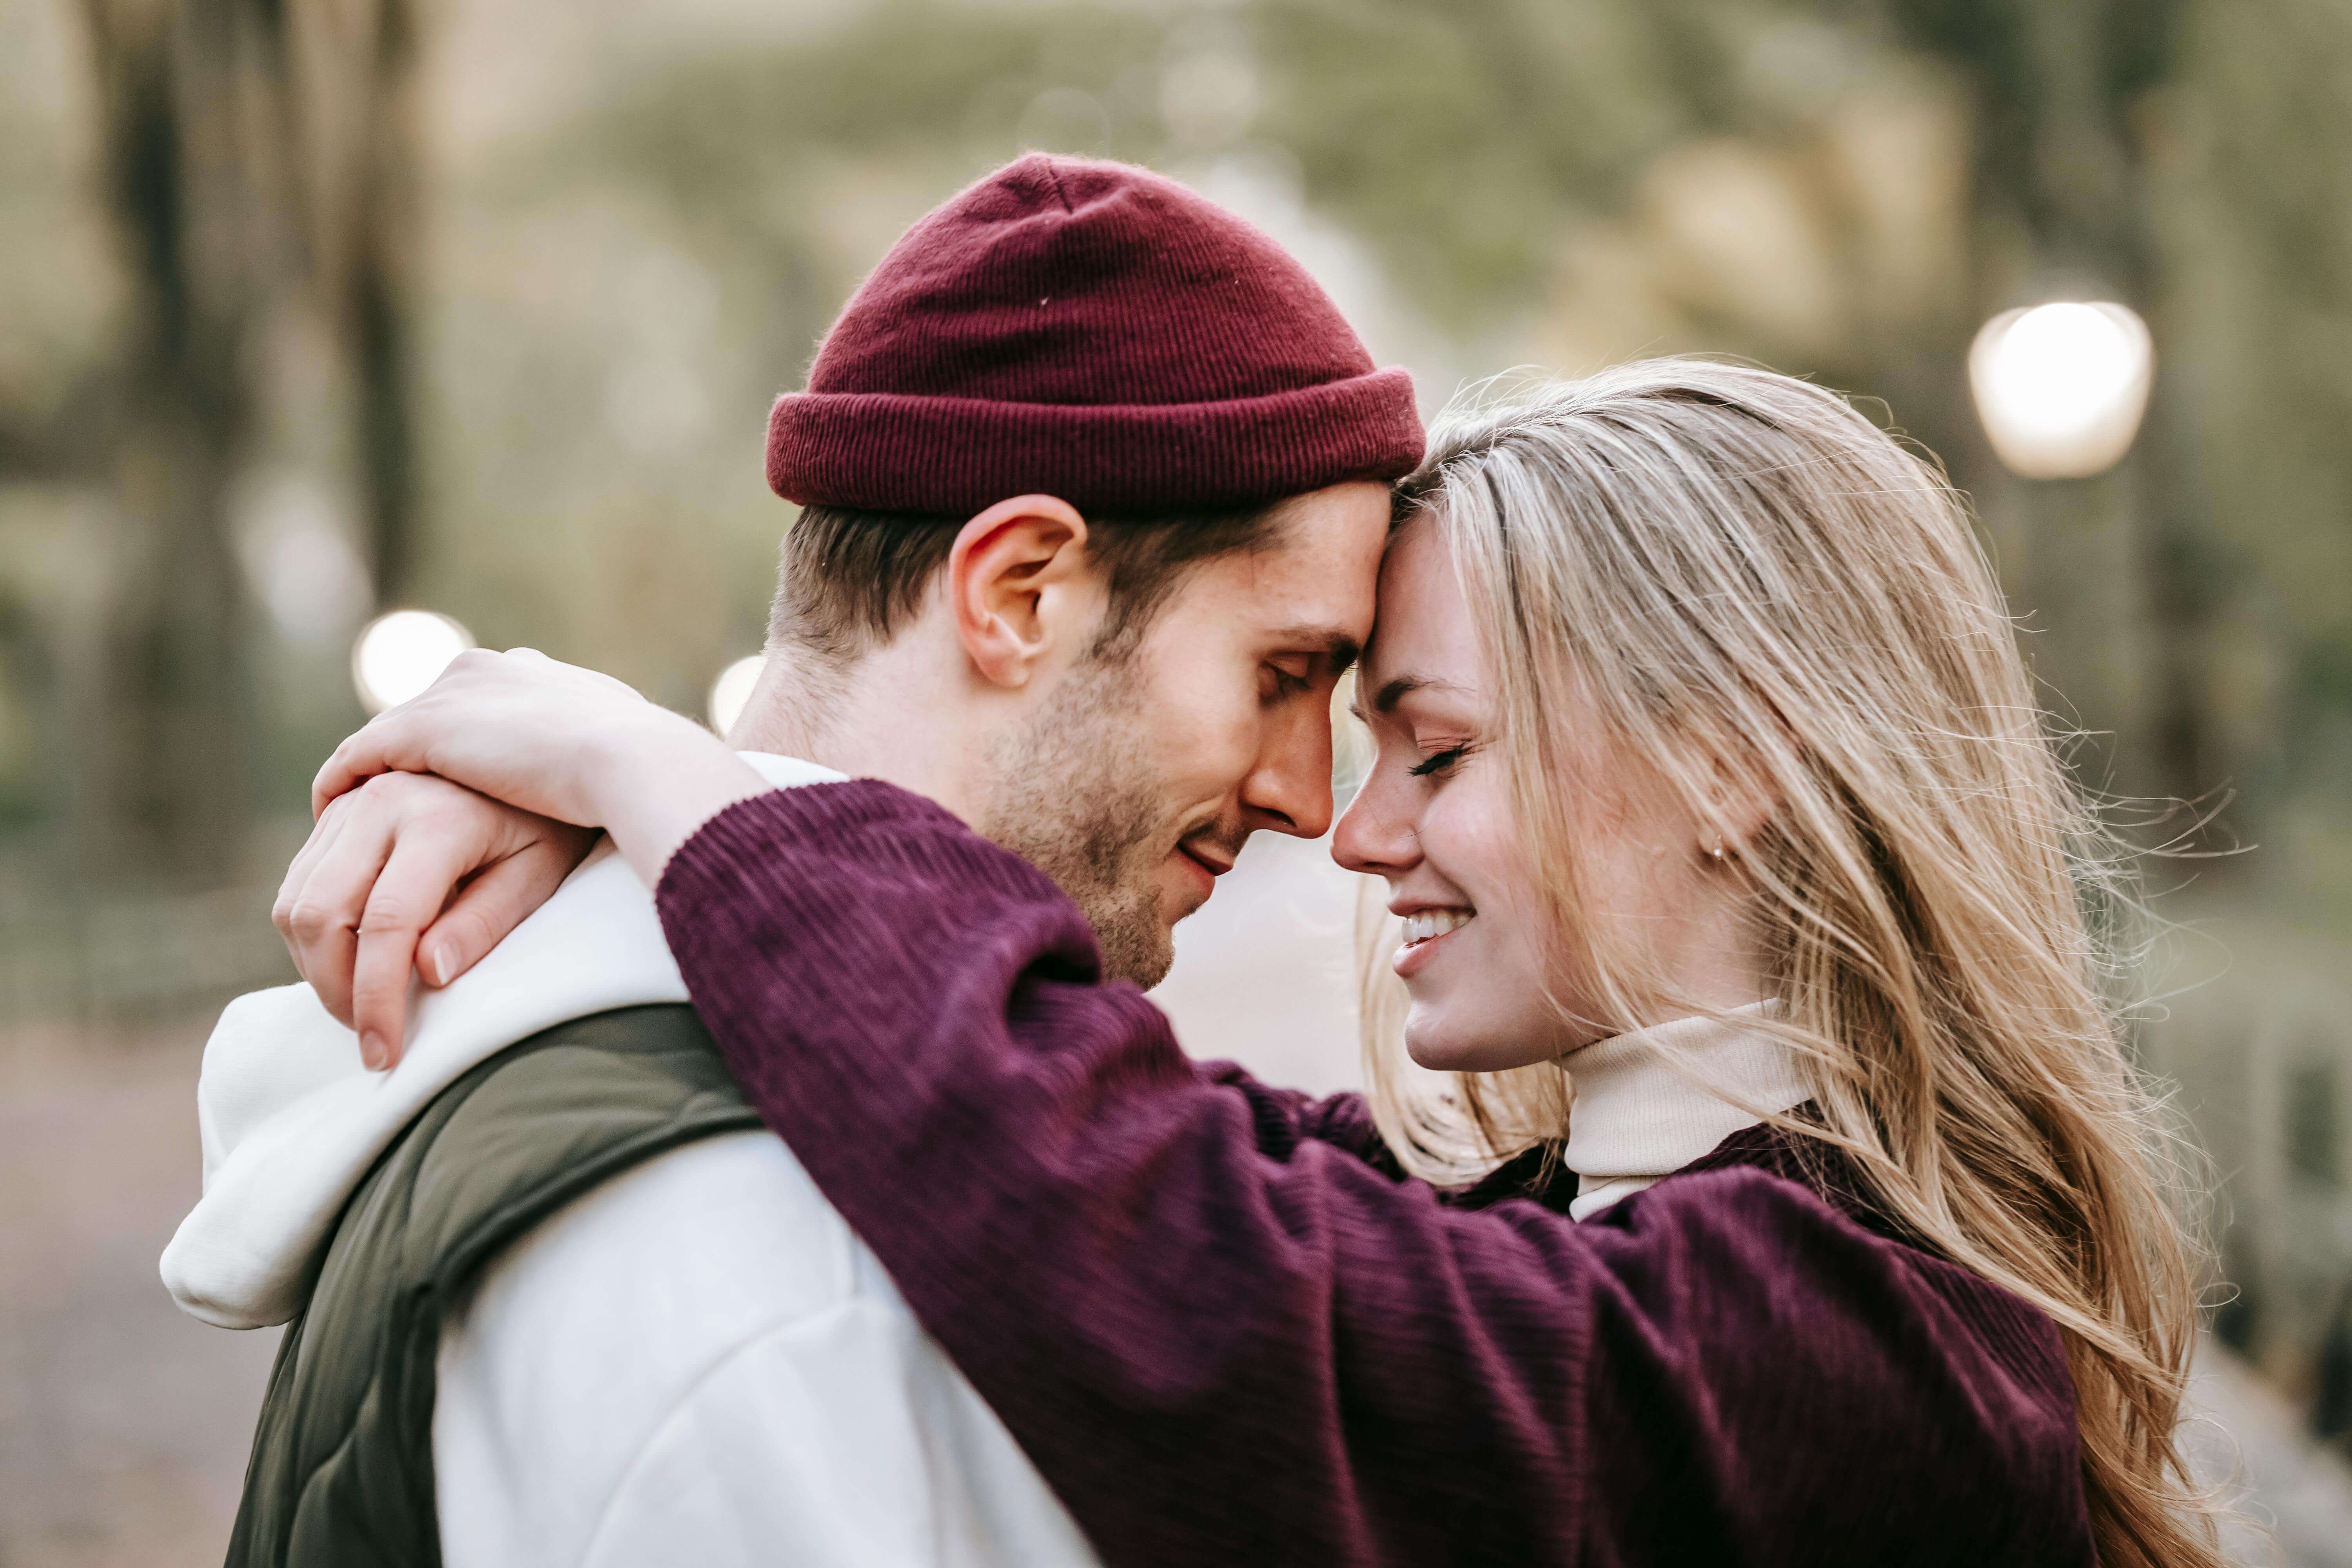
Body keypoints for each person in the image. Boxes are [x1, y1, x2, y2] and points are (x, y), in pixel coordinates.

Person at [296, 359, 2230, 1567]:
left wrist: (672, 781)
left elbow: (1165, 1248)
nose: (1355, 824)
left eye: (1438, 745)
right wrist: (638, 827)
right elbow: (1099, 1134)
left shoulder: (1872, 1347)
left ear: (1734, 764)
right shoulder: (1600, 1234)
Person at [160, 152, 1420, 1567]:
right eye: (1283, 670)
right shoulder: (793, 1260)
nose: (1313, 800)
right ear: (1020, 595)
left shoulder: (689, 1106)